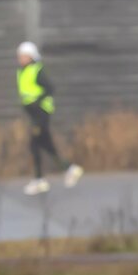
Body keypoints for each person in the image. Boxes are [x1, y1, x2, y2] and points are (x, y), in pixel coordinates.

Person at [16, 41, 83, 195]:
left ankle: (40, 180)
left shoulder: (36, 71)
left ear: (31, 56)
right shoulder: (22, 71)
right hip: (33, 114)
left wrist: (37, 101)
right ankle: (70, 169)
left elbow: (50, 88)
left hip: (41, 114)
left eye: (23, 56)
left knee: (34, 144)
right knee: (46, 144)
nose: (20, 58)